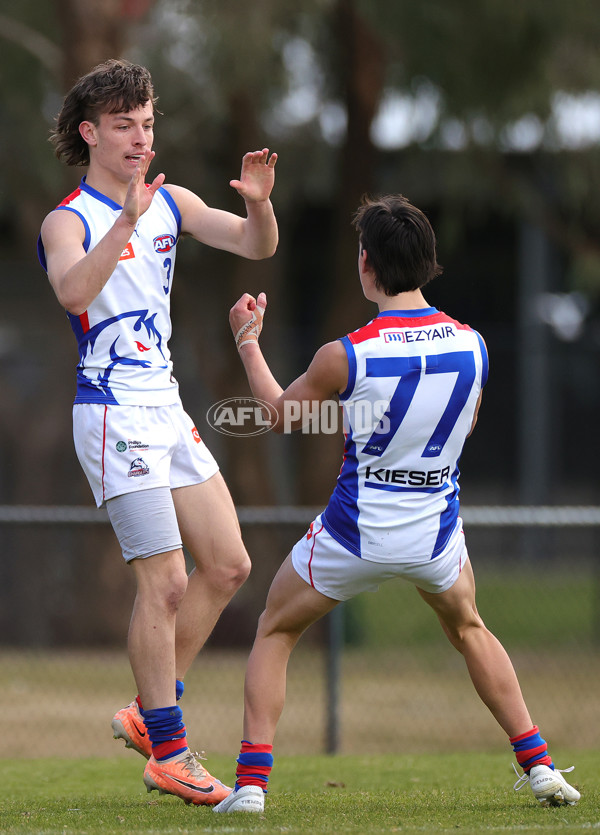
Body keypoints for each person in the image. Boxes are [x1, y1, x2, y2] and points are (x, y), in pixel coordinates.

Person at [213, 194, 580, 814]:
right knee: (469, 628)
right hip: (434, 534)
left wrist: (249, 342)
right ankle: (540, 767)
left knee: (274, 629)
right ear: (429, 263)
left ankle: (251, 786)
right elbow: (463, 425)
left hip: (355, 532)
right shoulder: (473, 345)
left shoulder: (348, 353)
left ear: (366, 265)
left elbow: (276, 416)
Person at [38, 58, 278, 806]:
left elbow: (254, 244)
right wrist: (127, 222)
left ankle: (149, 711)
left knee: (230, 563)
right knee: (166, 580)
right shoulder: (68, 219)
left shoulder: (173, 199)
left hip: (165, 408)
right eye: (124, 126)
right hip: (111, 412)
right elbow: (74, 290)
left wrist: (262, 206)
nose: (141, 138)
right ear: (91, 133)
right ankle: (169, 749)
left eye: (147, 124)